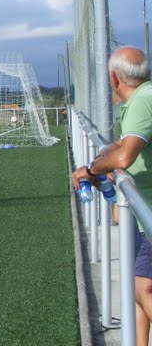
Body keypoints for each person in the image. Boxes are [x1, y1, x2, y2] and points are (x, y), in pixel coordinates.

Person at [70, 46, 152, 344]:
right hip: (146, 213)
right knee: (138, 287)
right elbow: (119, 145)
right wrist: (97, 162)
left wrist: (92, 172)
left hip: (150, 212)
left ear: (113, 78)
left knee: (143, 288)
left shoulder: (143, 101)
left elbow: (124, 158)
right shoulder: (145, 98)